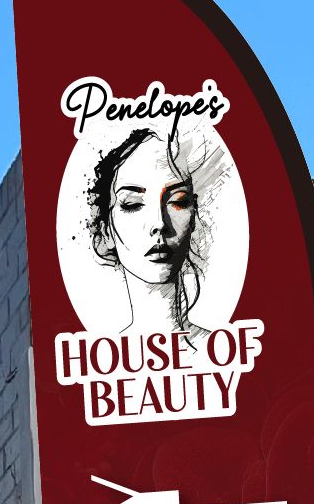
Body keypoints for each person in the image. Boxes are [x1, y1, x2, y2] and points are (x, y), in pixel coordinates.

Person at [89, 121, 219, 340]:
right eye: (132, 204)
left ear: (194, 214)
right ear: (107, 230)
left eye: (177, 201)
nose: (159, 223)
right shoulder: (99, 360)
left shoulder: (220, 349)